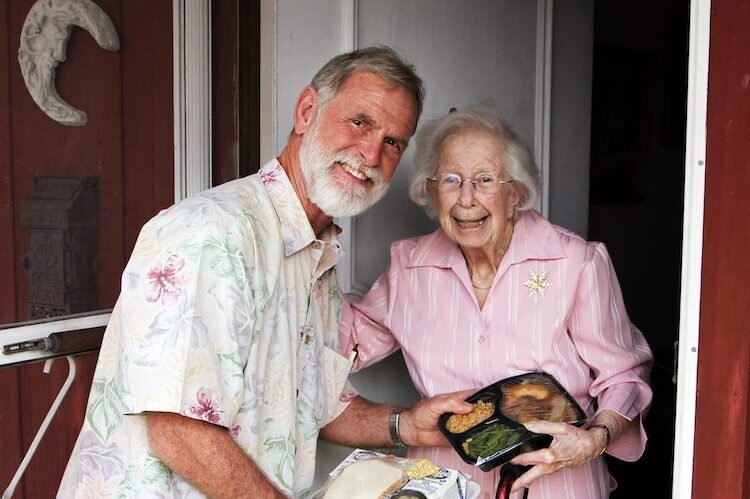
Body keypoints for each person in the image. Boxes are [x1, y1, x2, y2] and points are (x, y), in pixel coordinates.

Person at [57, 46, 473, 498]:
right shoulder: (212, 233)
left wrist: (408, 425)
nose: (371, 154)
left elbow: (314, 405)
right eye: (360, 122)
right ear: (306, 111)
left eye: (393, 142)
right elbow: (178, 429)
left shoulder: (318, 254)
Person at [339, 107, 653, 498]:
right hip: (444, 480)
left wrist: (595, 438)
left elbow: (623, 375)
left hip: (555, 477)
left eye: (484, 179)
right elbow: (339, 345)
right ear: (432, 190)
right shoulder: (410, 267)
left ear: (516, 192)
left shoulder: (576, 263)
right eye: (451, 180)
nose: (466, 199)